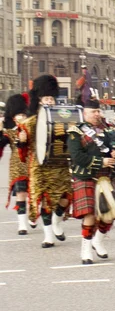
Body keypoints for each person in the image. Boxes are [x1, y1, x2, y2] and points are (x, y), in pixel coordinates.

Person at [67, 99, 115, 264]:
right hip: (86, 176)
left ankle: (98, 240)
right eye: (93, 111)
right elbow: (77, 156)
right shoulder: (75, 132)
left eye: (98, 111)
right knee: (90, 214)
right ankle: (86, 250)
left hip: (106, 178)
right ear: (84, 113)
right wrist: (101, 162)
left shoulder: (111, 129)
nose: (97, 114)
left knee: (108, 216)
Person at [19, 75, 72, 248]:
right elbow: (23, 152)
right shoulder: (30, 122)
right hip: (40, 166)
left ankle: (57, 220)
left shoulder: (63, 118)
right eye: (46, 98)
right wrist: (21, 140)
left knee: (66, 196)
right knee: (45, 199)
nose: (49, 101)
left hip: (60, 164)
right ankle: (48, 235)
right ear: (40, 100)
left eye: (51, 98)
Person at [0, 93, 32, 235]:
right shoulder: (9, 132)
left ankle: (33, 215)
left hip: (33, 163)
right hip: (17, 164)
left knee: (35, 193)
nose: (21, 117)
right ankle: (22, 223)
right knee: (21, 193)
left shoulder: (33, 128)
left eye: (23, 114)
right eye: (18, 115)